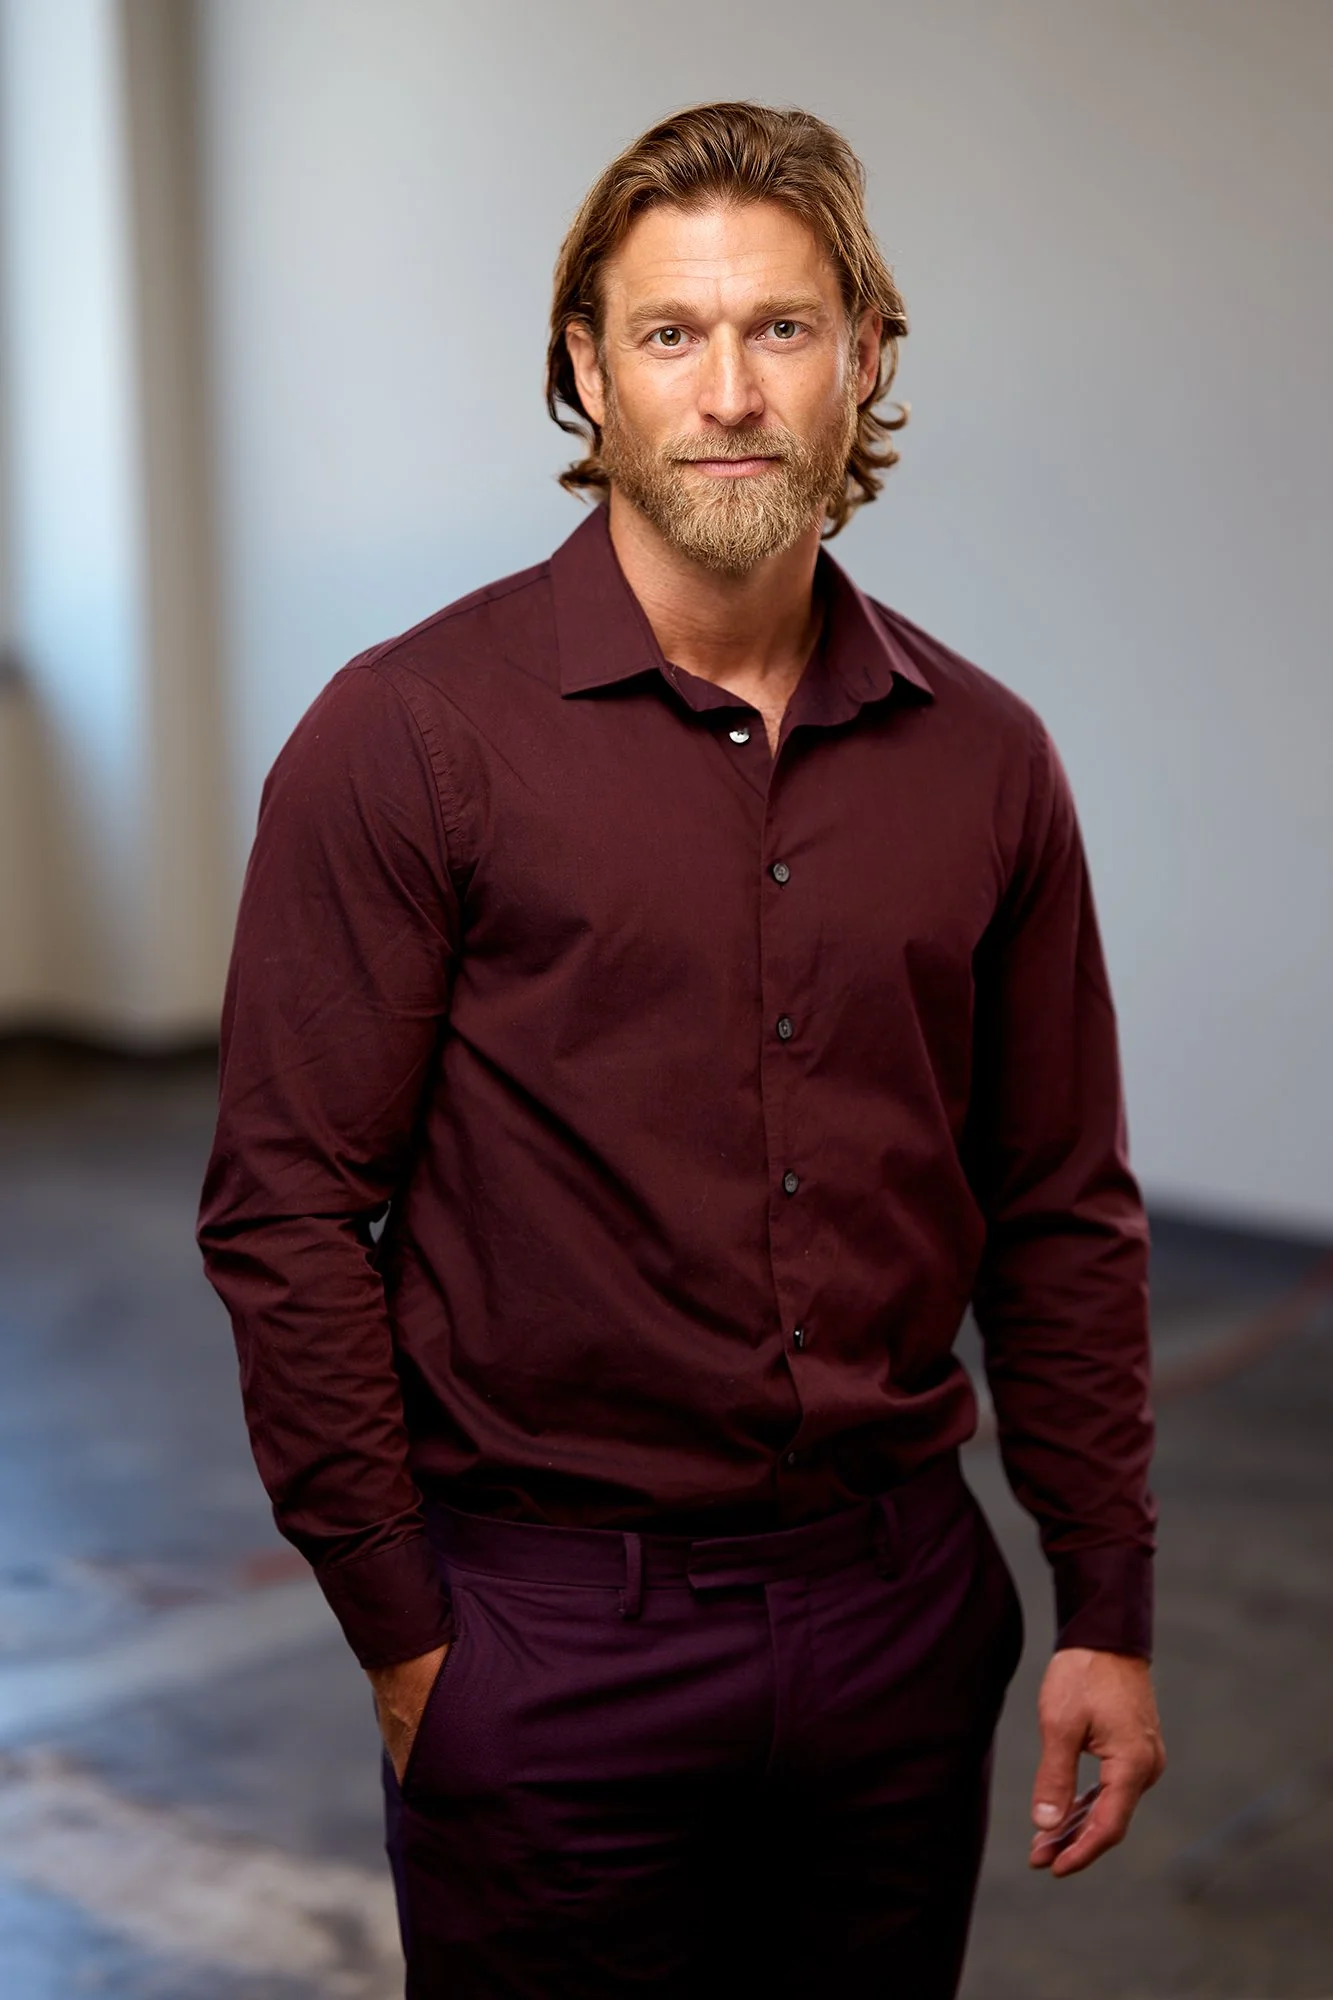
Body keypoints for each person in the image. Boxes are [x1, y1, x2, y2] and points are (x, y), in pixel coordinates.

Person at [197, 99, 1165, 1999]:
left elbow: (1060, 1211)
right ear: (589, 368)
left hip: (901, 1616)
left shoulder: (990, 757)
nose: (728, 390)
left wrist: (1103, 1604)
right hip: (549, 1636)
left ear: (864, 357)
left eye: (783, 329)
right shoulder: (407, 739)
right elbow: (289, 1211)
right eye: (669, 334)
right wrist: (407, 1633)